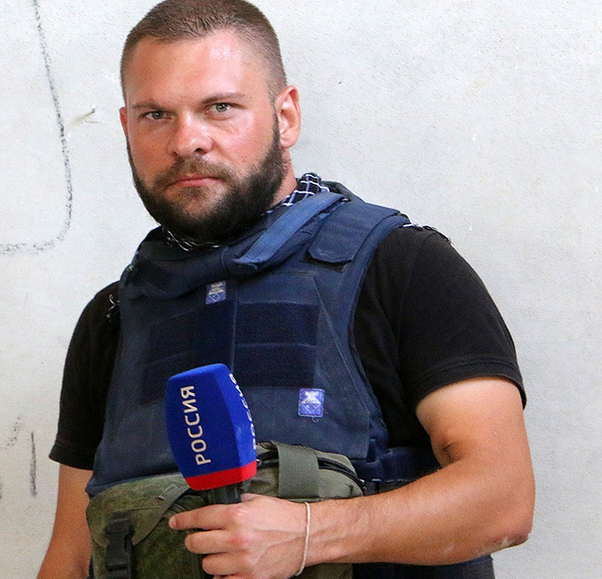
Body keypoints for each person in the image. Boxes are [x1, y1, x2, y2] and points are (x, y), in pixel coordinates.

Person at [37, 1, 534, 578]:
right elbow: (72, 555)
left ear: (286, 116)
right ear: (127, 129)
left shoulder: (402, 267)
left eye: (220, 107)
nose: (186, 141)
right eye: (156, 115)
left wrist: (310, 535)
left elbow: (502, 501)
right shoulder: (115, 317)